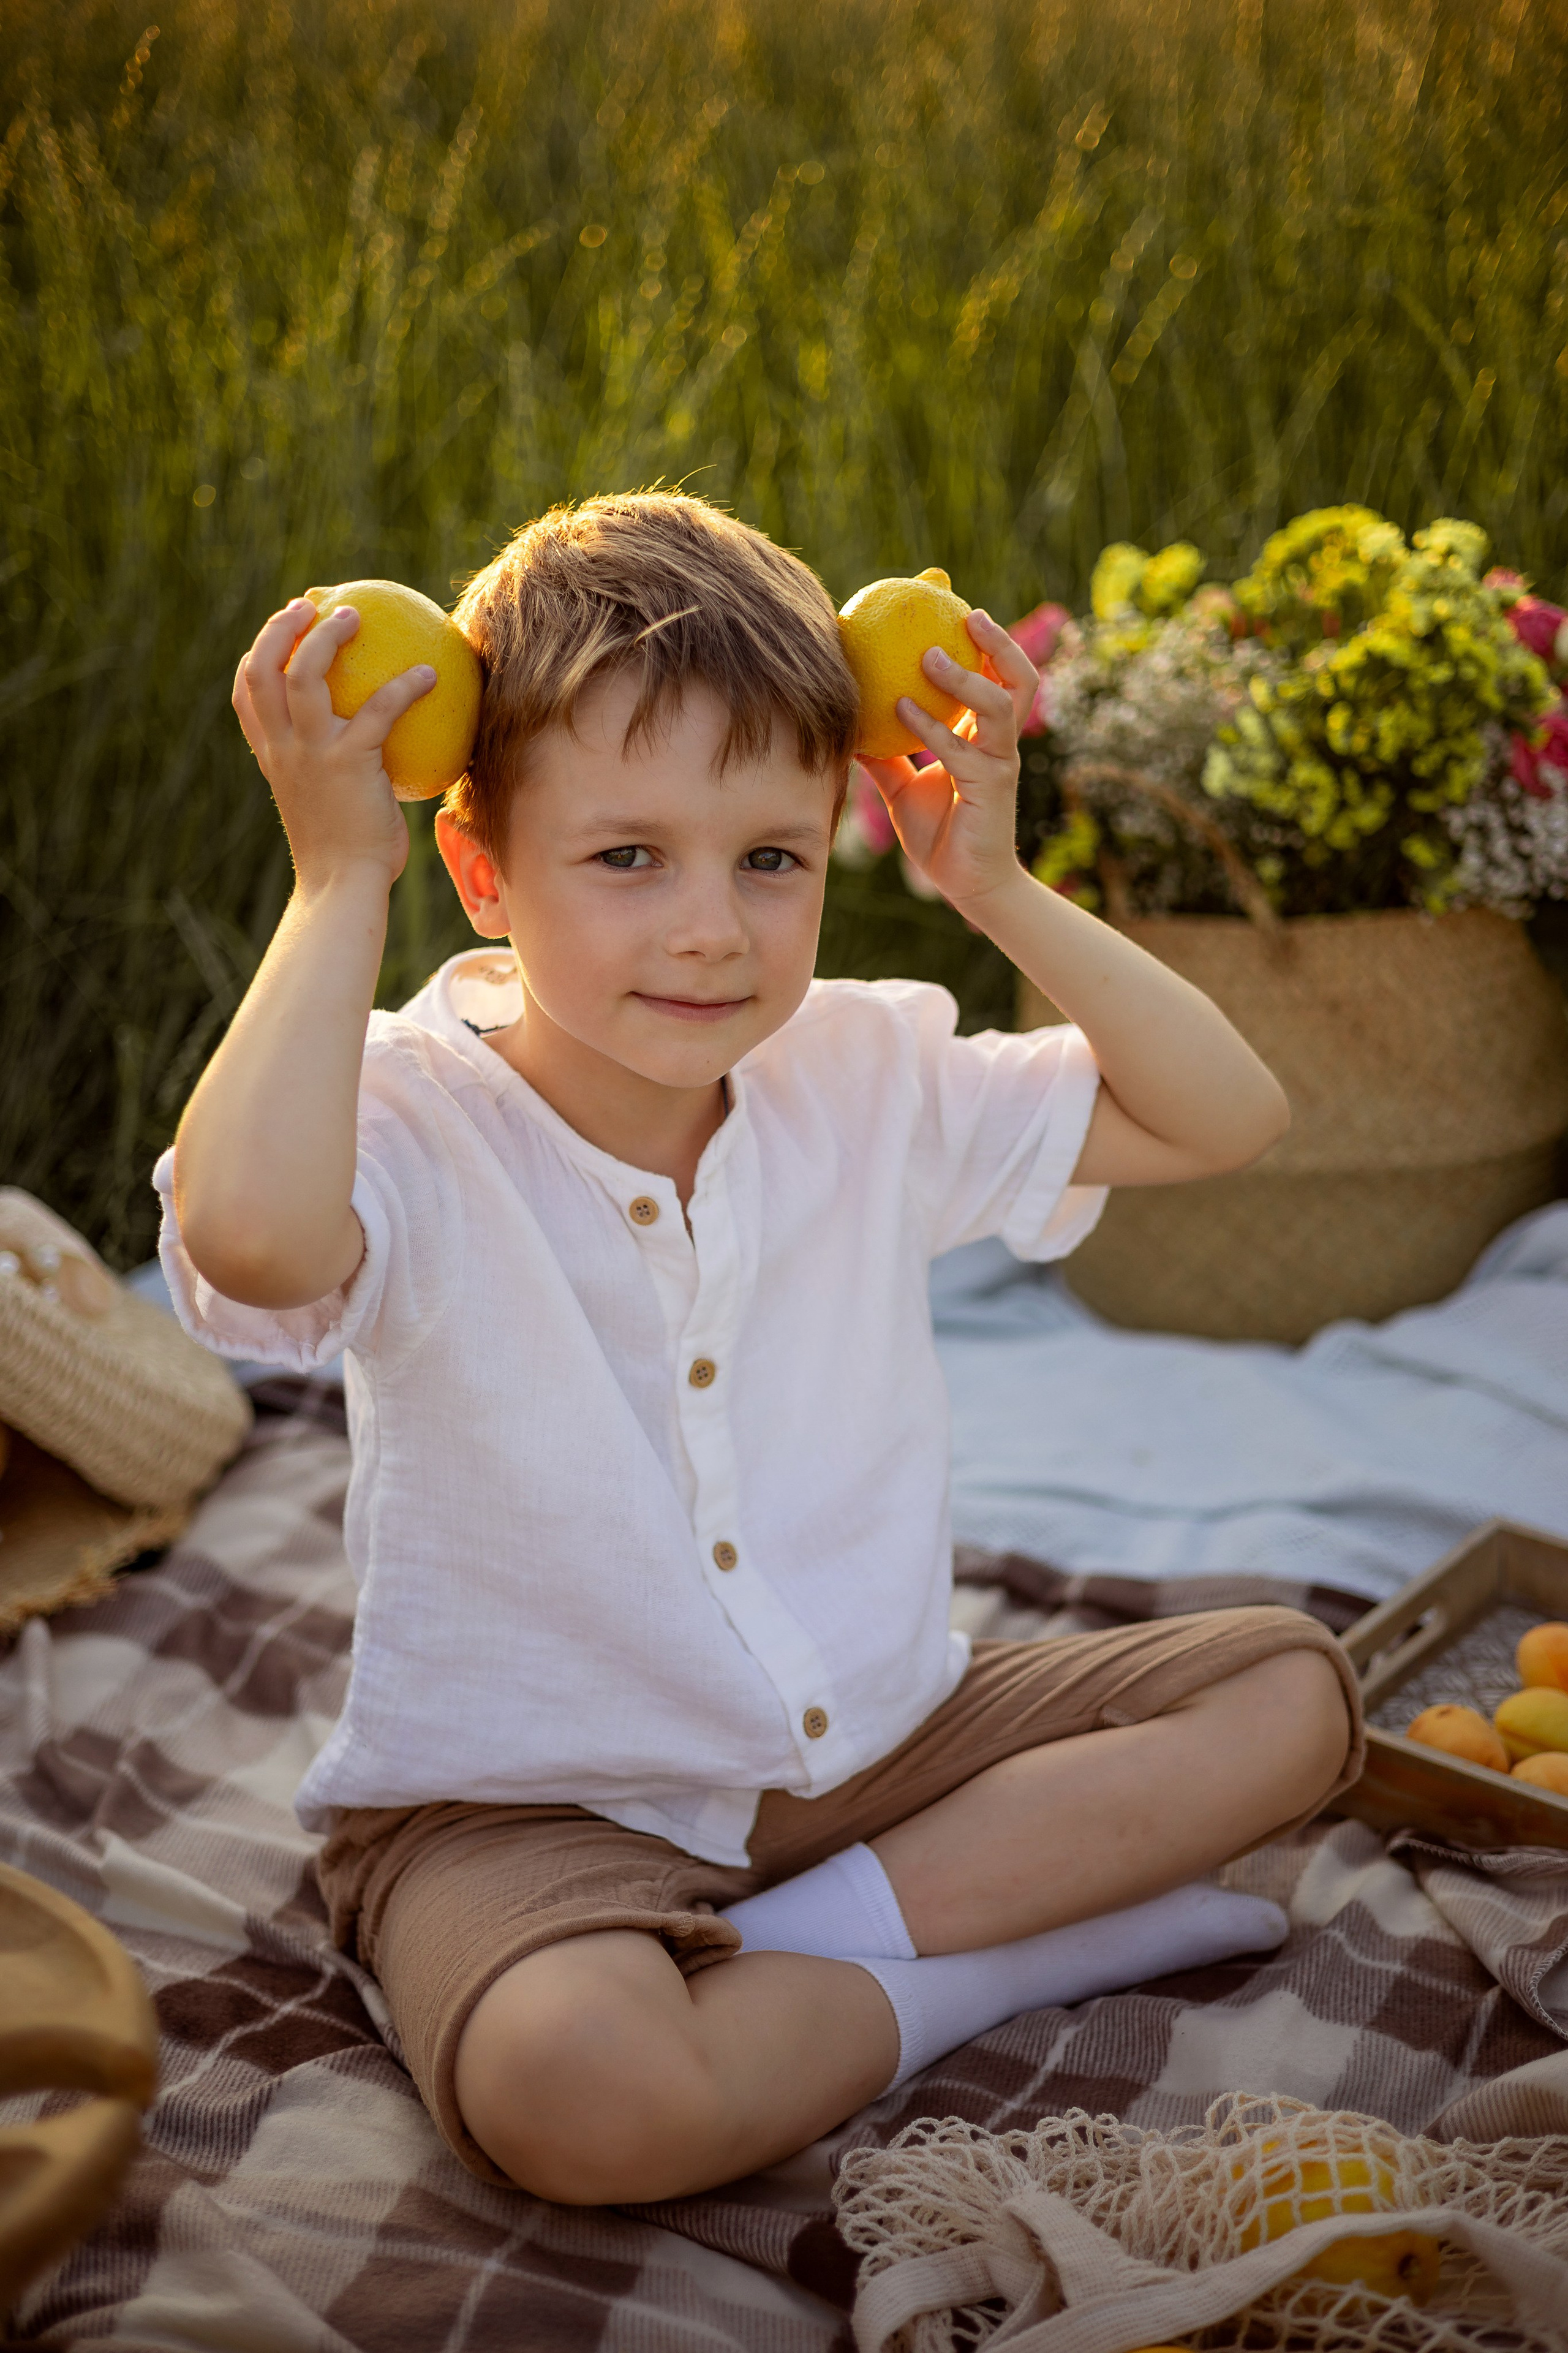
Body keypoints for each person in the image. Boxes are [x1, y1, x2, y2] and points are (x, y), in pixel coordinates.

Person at [159, 492, 1361, 2207]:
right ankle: (972, 1964)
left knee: (1294, 1693)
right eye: (628, 856)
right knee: (591, 2094)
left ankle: (809, 1946)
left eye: (771, 858)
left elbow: (1228, 1113)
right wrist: (338, 867)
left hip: (868, 1749)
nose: (713, 927)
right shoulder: (407, 1115)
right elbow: (249, 1239)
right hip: (527, 1809)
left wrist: (995, 881)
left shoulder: (864, 1071)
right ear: (485, 868)